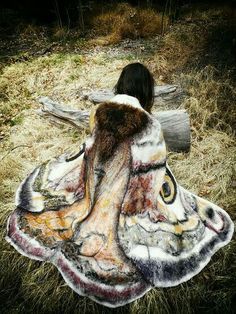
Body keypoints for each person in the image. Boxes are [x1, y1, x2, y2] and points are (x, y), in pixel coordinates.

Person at [6, 63, 234, 308]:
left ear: (121, 84)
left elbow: (90, 155)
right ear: (147, 90)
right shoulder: (150, 125)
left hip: (95, 188)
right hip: (123, 199)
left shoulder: (99, 112)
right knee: (185, 213)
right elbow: (154, 173)